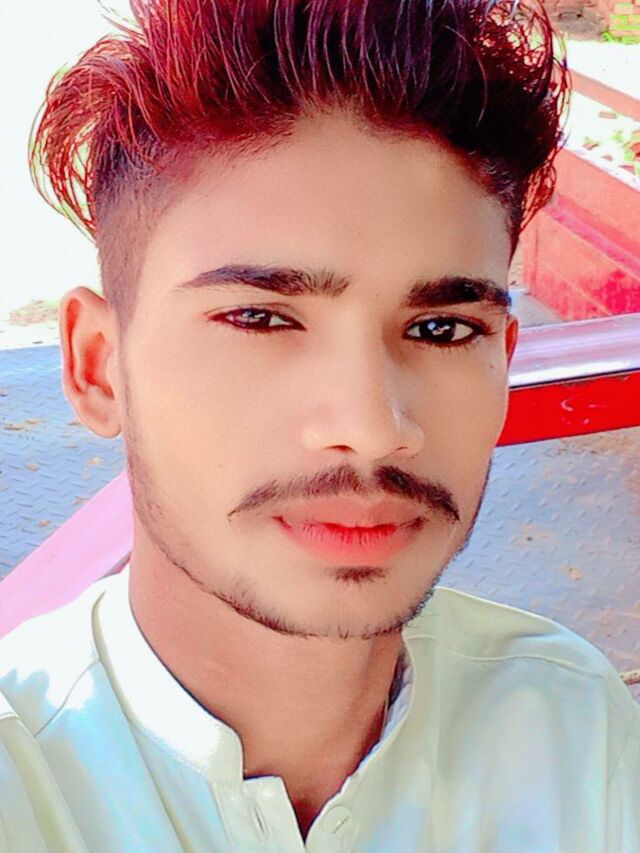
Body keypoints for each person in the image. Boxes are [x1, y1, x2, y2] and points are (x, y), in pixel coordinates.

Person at [0, 0, 638, 849]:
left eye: (442, 329)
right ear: (96, 366)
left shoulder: (572, 726)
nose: (374, 427)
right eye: (261, 318)